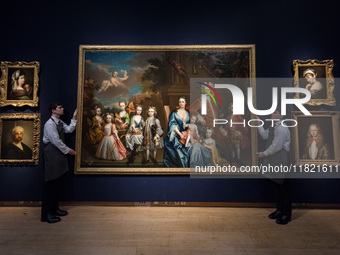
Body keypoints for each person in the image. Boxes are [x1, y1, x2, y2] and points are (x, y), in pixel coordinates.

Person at [41, 103, 77, 224]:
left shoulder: (59, 122)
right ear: (53, 110)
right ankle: (47, 214)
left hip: (58, 154)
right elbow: (55, 140)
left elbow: (69, 129)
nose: (62, 109)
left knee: (57, 183)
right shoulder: (49, 124)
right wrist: (68, 150)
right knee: (50, 184)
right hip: (52, 153)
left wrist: (74, 117)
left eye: (62, 107)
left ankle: (55, 209)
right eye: (59, 108)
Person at [257, 109, 292, 225]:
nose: (272, 114)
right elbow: (265, 135)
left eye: (276, 113)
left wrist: (263, 154)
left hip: (279, 158)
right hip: (273, 158)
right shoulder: (274, 126)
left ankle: (286, 214)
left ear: (282, 116)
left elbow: (276, 146)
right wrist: (259, 123)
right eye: (273, 112)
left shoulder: (281, 128)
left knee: (282, 187)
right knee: (274, 185)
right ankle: (279, 210)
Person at [163, 96, 190, 167]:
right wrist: (180, 135)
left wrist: (187, 134)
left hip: (187, 134)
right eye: (180, 102)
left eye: (183, 102)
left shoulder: (189, 113)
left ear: (185, 103)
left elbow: (191, 124)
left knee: (191, 146)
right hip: (176, 134)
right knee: (178, 145)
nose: (181, 103)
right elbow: (172, 125)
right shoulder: (174, 113)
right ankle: (183, 168)